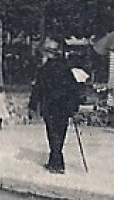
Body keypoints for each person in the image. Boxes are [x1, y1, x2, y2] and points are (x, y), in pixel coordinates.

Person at [29, 39, 84, 174]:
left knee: (52, 133)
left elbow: (38, 89)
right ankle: (55, 160)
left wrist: (32, 105)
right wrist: (74, 107)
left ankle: (56, 162)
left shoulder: (44, 70)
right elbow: (74, 89)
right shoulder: (67, 69)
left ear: (49, 54)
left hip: (50, 106)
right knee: (61, 132)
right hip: (64, 107)